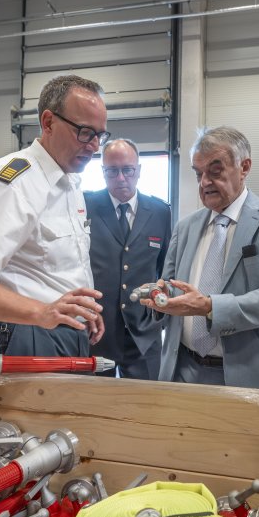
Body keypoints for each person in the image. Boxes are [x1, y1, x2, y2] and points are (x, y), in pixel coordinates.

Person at [0, 74, 107, 357]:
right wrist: (43, 311)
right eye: (84, 132)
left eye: (100, 135)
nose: (94, 146)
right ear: (48, 122)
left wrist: (80, 311)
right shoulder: (13, 183)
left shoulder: (68, 183)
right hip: (24, 336)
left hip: (62, 334)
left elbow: (50, 272)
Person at [139, 126, 259, 390]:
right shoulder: (186, 226)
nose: (204, 182)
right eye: (198, 173)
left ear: (244, 167)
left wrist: (209, 306)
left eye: (215, 170)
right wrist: (161, 294)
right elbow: (170, 283)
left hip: (244, 373)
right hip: (181, 369)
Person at [85, 138, 172, 379]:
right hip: (97, 331)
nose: (121, 178)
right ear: (103, 172)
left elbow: (166, 270)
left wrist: (159, 319)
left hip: (144, 334)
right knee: (96, 404)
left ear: (139, 171)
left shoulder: (160, 212)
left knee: (146, 405)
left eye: (127, 170)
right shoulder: (85, 206)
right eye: (112, 171)